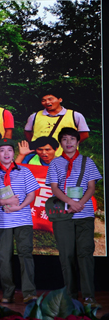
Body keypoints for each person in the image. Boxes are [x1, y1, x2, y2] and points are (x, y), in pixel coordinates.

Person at [46, 127, 102, 308]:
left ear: (78, 142)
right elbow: (54, 188)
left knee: (85, 255)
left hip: (84, 214)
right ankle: (70, 296)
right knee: (66, 255)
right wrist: (70, 202)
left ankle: (89, 296)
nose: (68, 142)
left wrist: (80, 204)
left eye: (72, 139)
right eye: (64, 139)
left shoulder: (88, 162)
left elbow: (91, 187)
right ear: (60, 143)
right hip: (63, 215)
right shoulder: (55, 163)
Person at [0, 139, 40, 304]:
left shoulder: (24, 171)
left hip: (23, 220)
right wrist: (5, 202)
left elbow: (31, 194)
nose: (6, 154)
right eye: (2, 150)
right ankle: (8, 292)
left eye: (9, 150)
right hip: (2, 222)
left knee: (25, 255)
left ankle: (29, 292)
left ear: (13, 153)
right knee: (4, 257)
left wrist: (20, 207)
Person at [24, 93, 89, 155]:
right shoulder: (34, 116)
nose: (47, 102)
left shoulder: (75, 115)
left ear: (60, 99)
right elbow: (27, 132)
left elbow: (84, 134)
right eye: (43, 100)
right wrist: (37, 145)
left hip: (65, 155)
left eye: (50, 99)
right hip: (41, 155)